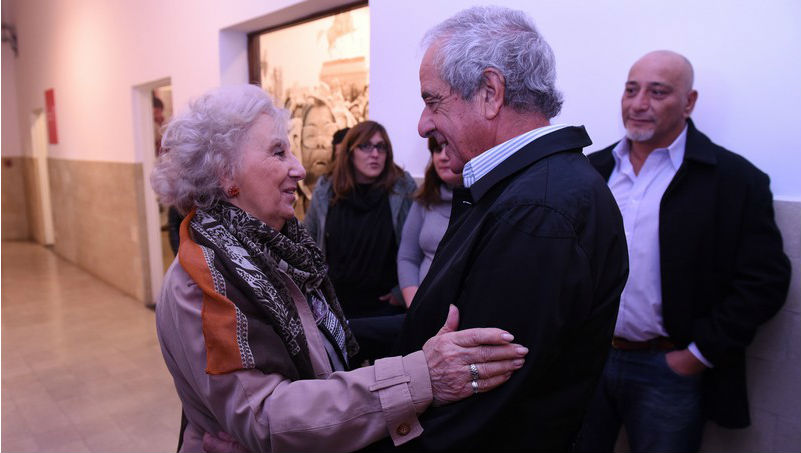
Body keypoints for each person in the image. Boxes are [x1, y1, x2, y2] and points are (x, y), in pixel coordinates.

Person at [150, 84, 529, 453]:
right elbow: (264, 419)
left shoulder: (275, 251)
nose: (298, 169)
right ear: (225, 174)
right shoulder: (202, 282)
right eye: (279, 152)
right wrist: (419, 378)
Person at [375, 7, 630, 452]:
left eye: (433, 100)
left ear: (491, 92)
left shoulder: (538, 212)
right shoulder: (521, 189)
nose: (422, 124)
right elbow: (440, 327)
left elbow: (478, 419)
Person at [576, 50, 791, 453]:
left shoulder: (733, 181)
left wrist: (696, 355)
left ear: (689, 102)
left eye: (658, 92)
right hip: (588, 360)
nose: (639, 104)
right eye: (631, 90)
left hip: (667, 369)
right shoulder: (591, 171)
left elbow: (766, 282)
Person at [305, 121, 417, 319]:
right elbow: (308, 242)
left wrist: (402, 292)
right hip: (337, 308)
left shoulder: (402, 188)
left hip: (385, 310)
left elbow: (418, 248)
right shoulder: (326, 190)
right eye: (366, 146)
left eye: (381, 147)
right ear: (350, 151)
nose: (375, 154)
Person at [397, 137, 462, 306]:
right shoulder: (425, 197)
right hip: (421, 307)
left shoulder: (484, 199)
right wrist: (414, 305)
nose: (442, 156)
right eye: (436, 149)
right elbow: (407, 257)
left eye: (449, 148)